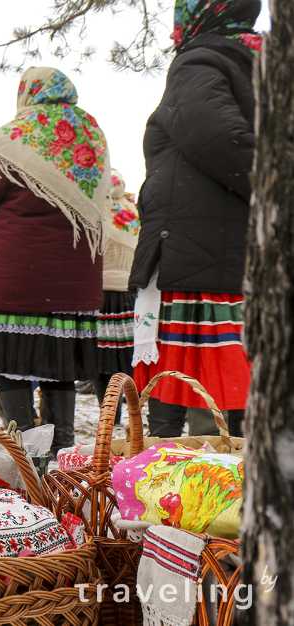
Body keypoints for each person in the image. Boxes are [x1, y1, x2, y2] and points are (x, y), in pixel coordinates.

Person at [0, 67, 110, 457]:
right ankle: (62, 457)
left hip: (15, 281)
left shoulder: (13, 139)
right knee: (60, 369)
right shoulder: (91, 136)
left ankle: (22, 453)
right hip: (73, 286)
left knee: (9, 366)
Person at [130, 0, 260, 438]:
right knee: (229, 392)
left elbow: (217, 137)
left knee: (197, 393)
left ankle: (182, 489)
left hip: (198, 260)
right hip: (235, 251)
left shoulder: (200, 62)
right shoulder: (263, 65)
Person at [93, 170, 140, 421]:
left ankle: (108, 414)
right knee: (128, 357)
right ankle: (132, 410)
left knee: (101, 360)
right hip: (129, 292)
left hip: (100, 291)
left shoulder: (99, 209)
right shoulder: (132, 212)